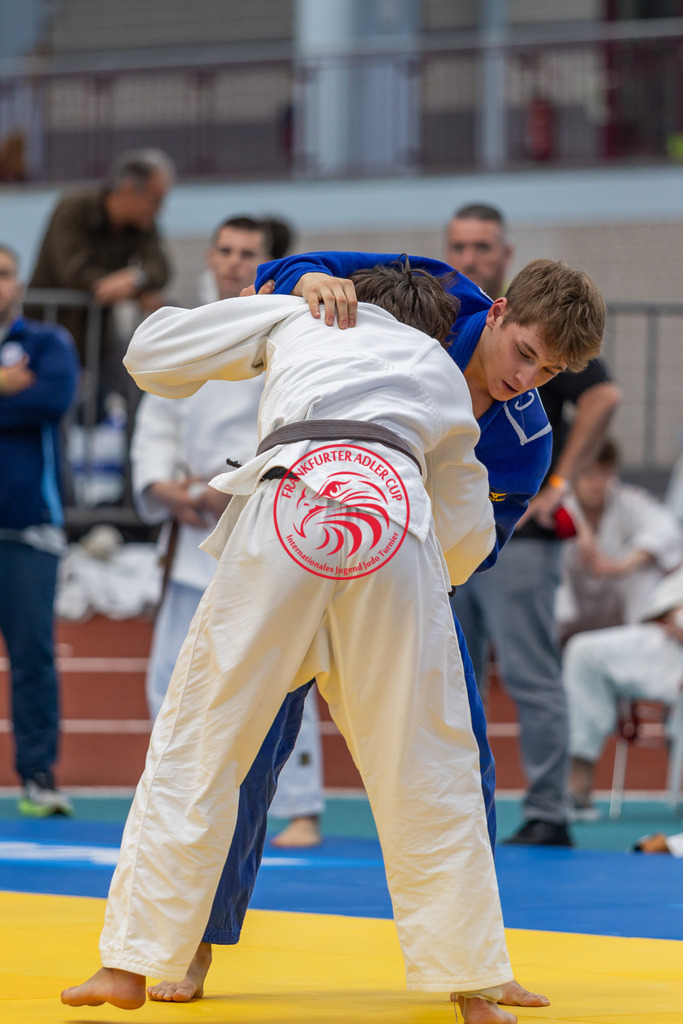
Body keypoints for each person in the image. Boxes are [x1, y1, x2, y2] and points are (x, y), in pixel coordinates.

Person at [91, 252, 604, 1010]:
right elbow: (299, 269)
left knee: (441, 751)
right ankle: (191, 948)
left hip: (369, 549)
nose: (527, 380)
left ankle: (475, 963)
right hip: (359, 532)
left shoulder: (524, 437)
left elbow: (475, 543)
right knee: (288, 744)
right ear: (493, 312)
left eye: (549, 373)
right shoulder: (432, 296)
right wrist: (301, 280)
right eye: (524, 354)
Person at [131, 215, 324, 859]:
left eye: (249, 254)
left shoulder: (289, 331)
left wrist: (222, 483)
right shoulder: (192, 328)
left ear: (268, 262)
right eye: (226, 250)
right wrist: (162, 485)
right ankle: (178, 800)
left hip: (259, 519)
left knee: (278, 668)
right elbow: (159, 409)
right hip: (190, 532)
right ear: (210, 257)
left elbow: (292, 423)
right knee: (170, 676)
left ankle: (298, 806)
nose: (235, 262)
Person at [440, 203, 622, 846]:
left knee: (527, 669)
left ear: (504, 255)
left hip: (517, 531)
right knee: (449, 676)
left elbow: (603, 395)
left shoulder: (549, 321)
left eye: (482, 245)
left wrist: (560, 483)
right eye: (458, 244)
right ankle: (451, 813)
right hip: (438, 540)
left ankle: (549, 806)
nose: (468, 257)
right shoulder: (447, 324)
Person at [0, 244, 79, 815]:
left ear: (19, 282)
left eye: (3, 273)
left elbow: (52, 398)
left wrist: (25, 391)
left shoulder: (49, 344)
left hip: (30, 530)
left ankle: (37, 777)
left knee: (32, 658)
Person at [27, 148, 173, 388]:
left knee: (135, 388)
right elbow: (73, 272)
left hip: (98, 335)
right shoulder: (74, 207)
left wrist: (135, 278)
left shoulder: (144, 223)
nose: (159, 209)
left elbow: (161, 269)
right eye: (155, 199)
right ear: (127, 190)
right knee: (57, 403)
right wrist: (133, 287)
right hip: (47, 330)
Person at [565, 563, 683, 814]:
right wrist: (674, 612)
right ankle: (579, 786)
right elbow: (670, 592)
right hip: (668, 641)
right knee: (584, 652)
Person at [556, 439, 683, 645]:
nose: (597, 483)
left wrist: (621, 565)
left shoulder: (627, 500)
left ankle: (641, 643)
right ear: (575, 473)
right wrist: (576, 528)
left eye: (603, 473)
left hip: (617, 613)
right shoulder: (560, 506)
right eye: (589, 473)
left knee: (645, 570)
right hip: (570, 615)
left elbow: (668, 530)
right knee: (548, 558)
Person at [444, 203, 513, 299]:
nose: (468, 261)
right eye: (458, 248)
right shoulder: (428, 310)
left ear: (506, 254)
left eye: (482, 248)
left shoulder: (527, 309)